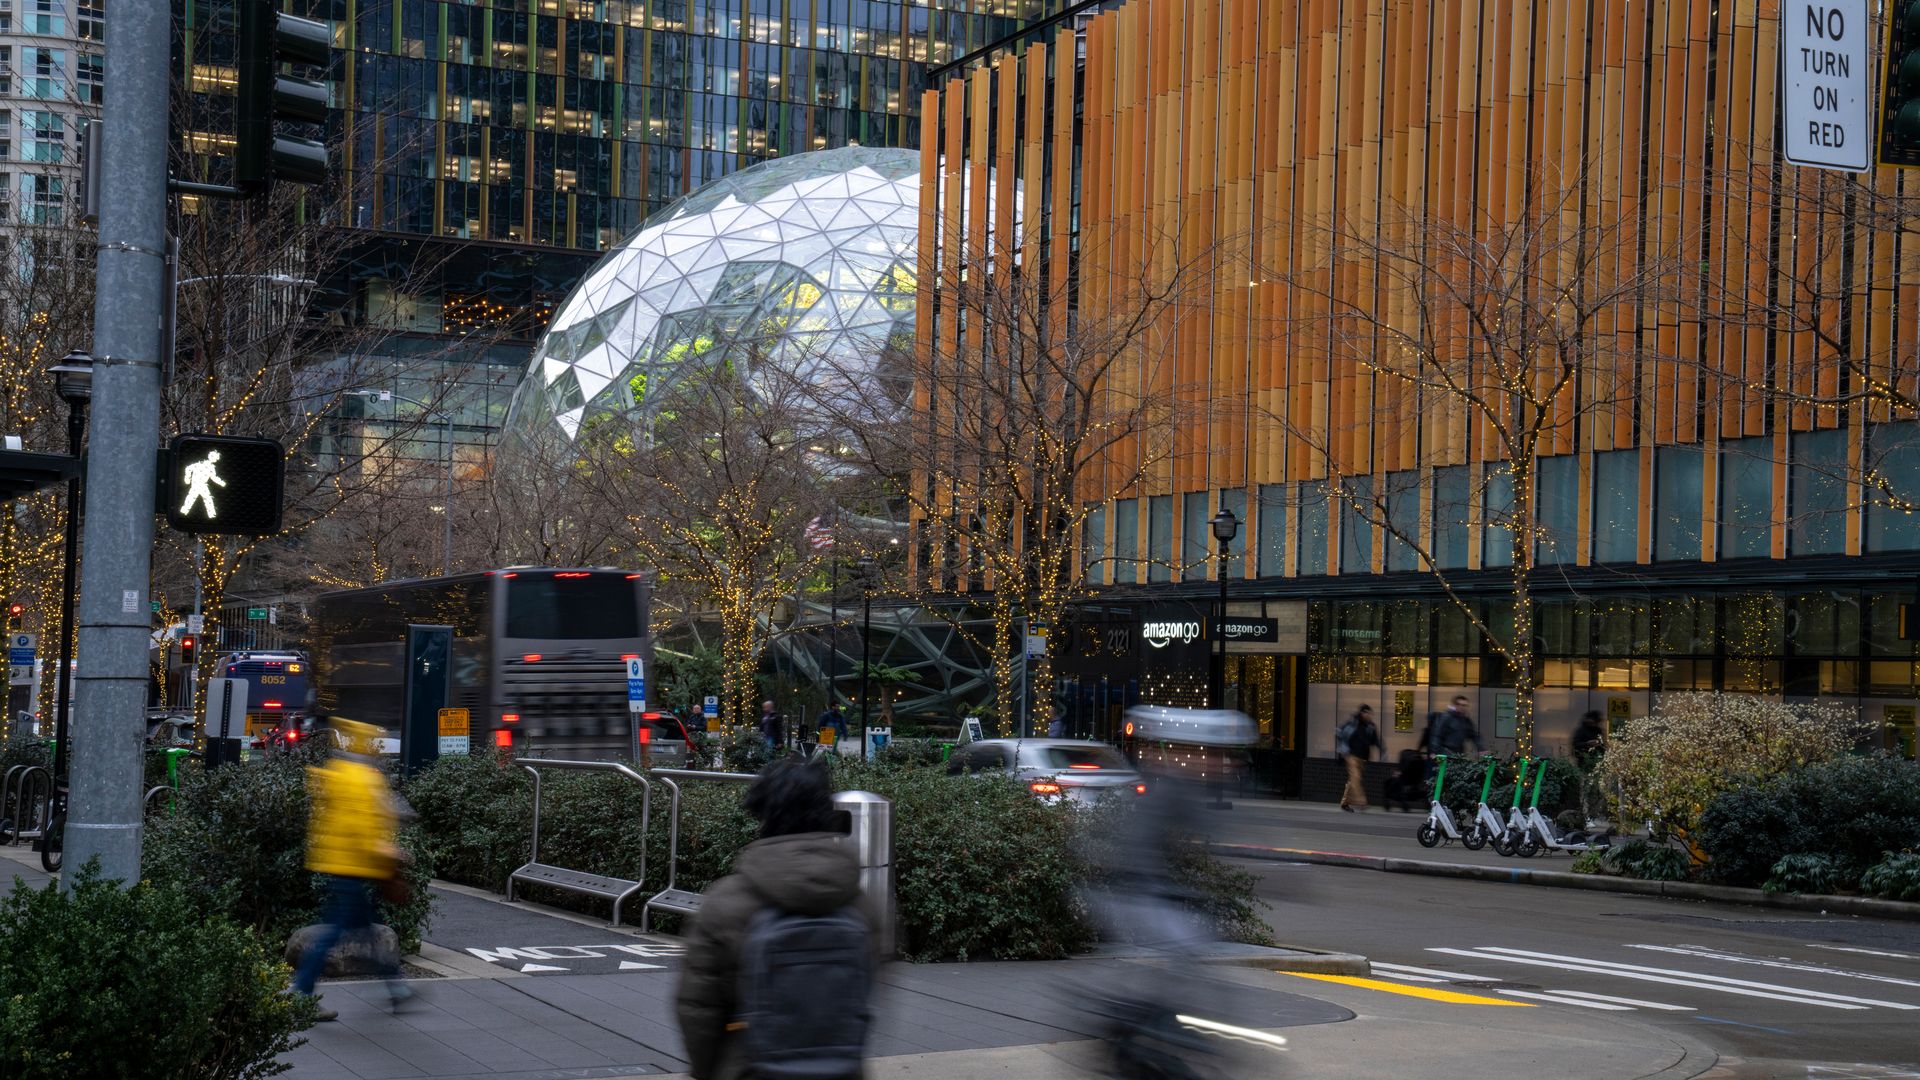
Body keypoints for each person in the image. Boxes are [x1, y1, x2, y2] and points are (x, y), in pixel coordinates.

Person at [676, 759, 872, 1080]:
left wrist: (707, 1070)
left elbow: (697, 1009)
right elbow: (868, 999)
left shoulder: (727, 901)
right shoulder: (860, 905)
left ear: (764, 814)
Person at [292, 717, 410, 1020]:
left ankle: (396, 987)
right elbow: (362, 827)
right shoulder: (363, 779)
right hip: (353, 867)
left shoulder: (339, 773)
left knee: (365, 928)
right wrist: (388, 853)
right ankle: (302, 995)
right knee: (337, 932)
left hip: (338, 862)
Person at [1336, 704, 1381, 812]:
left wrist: (1382, 749)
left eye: (1371, 714)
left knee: (1353, 780)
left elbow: (1375, 740)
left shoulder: (1370, 726)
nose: (1370, 715)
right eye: (1368, 713)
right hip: (1351, 755)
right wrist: (1343, 749)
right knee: (1356, 778)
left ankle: (1345, 802)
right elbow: (1339, 731)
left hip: (1363, 757)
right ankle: (1362, 802)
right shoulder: (1352, 724)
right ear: (1363, 713)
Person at [1571, 710, 1607, 823]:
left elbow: (1603, 746)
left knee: (1596, 792)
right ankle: (1586, 816)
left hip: (1595, 764)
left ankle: (1592, 815)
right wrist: (1588, 744)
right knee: (1585, 791)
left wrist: (1599, 746)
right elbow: (1575, 745)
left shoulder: (1598, 731)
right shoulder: (1581, 731)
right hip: (1584, 765)